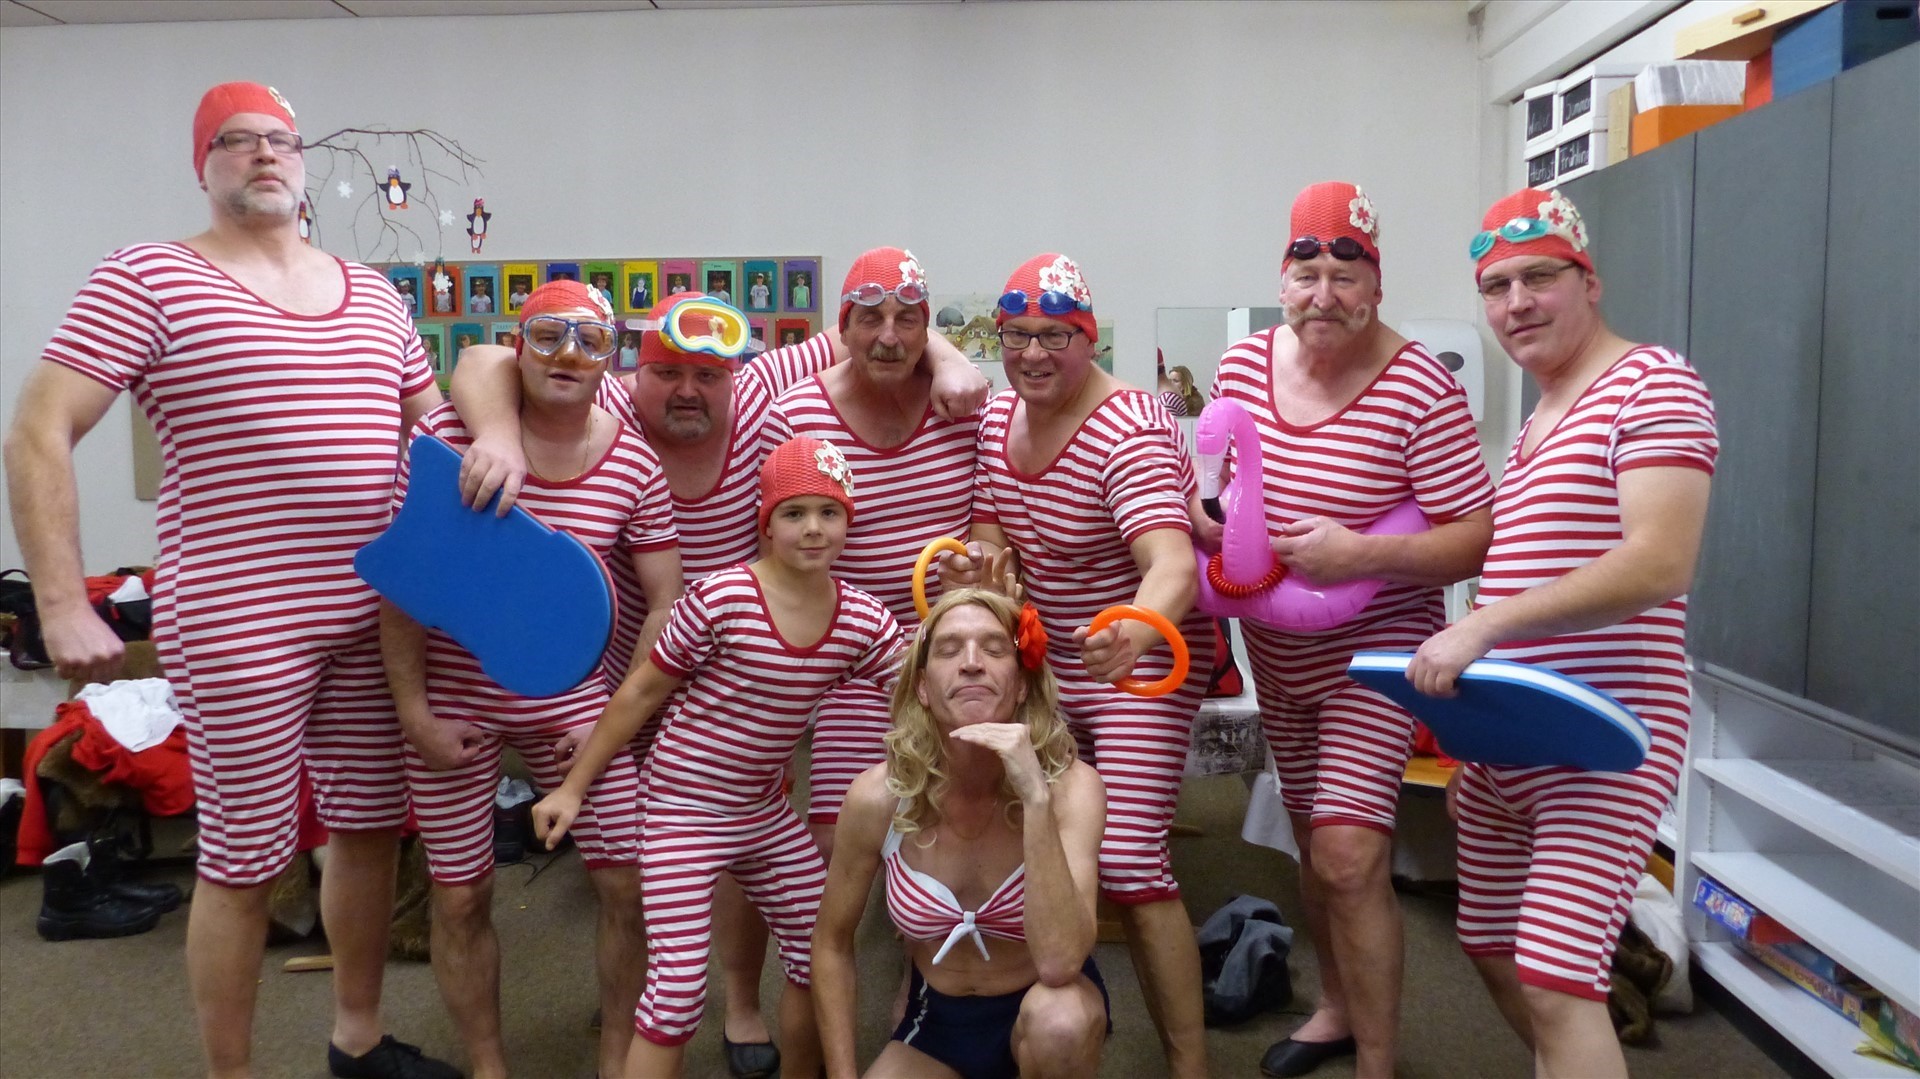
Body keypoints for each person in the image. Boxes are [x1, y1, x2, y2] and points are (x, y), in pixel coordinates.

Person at [3, 82, 456, 1079]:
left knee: (369, 831)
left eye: (281, 139)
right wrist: (61, 598)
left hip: (375, 611)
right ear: (201, 164)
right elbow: (39, 426)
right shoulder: (149, 276)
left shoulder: (372, 293)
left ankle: (358, 1036)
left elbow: (441, 433)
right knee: (246, 856)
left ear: (304, 162)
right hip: (239, 614)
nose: (263, 153)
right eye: (236, 139)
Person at [450, 293, 985, 1079]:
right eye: (667, 372)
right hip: (646, 697)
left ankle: (747, 1009)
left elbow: (873, 331)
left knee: (815, 938)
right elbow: (482, 359)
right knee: (660, 958)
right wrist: (581, 773)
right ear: (633, 370)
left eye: (708, 373)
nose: (689, 388)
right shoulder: (604, 401)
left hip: (754, 758)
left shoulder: (852, 605)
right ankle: (640, 1020)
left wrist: (950, 351)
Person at [1406, 187, 1717, 1079]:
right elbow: (1532, 571)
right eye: (1496, 286)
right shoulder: (1541, 415)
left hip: (1602, 734)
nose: (1516, 303)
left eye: (1539, 277)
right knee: (1492, 945)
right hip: (1512, 735)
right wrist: (1478, 754)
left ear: (1590, 281)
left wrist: (1486, 622)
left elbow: (1660, 561)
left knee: (1554, 976)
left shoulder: (1654, 385)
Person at [1209, 182, 1495, 1079]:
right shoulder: (1242, 366)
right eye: (1308, 274)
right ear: (1281, 280)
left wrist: (1361, 553)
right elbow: (1218, 483)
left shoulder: (1420, 387)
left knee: (1348, 852)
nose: (1324, 295)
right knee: (1309, 839)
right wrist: (1212, 521)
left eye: (1346, 275)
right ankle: (1335, 1006)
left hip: (1376, 654)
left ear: (1376, 285)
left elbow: (1474, 536)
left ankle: (1378, 1058)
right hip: (1278, 652)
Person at [381, 280, 682, 1079]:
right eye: (547, 335)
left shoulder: (633, 460)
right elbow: (406, 584)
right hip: (451, 703)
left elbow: (664, 601)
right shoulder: (450, 438)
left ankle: (616, 1056)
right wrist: (413, 712)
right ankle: (488, 1065)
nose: (567, 356)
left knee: (627, 885)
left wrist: (614, 720)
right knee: (459, 895)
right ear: (519, 344)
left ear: (611, 361)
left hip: (576, 706)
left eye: (590, 340)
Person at [533, 436, 905, 1079]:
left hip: (764, 812)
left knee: (818, 954)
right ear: (766, 523)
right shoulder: (721, 598)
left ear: (849, 520)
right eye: (794, 513)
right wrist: (573, 788)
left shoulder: (862, 619)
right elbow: (641, 691)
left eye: (830, 512)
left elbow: (919, 689)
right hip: (681, 812)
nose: (813, 528)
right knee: (676, 994)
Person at [942, 252, 1215, 1079]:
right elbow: (992, 538)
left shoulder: (1129, 427)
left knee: (1130, 861)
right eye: (1015, 335)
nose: (1031, 353)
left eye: (1054, 335)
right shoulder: (998, 419)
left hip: (1138, 662)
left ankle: (1190, 1064)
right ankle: (1027, 1017)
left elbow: (1173, 564)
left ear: (1088, 338)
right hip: (1050, 659)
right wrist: (978, 573)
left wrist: (1133, 629)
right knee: (1019, 831)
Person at [813, 587, 1109, 1079]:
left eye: (994, 649)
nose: (972, 663)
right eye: (949, 651)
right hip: (938, 1020)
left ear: (1021, 685)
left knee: (1060, 1024)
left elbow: (1061, 963)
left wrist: (1035, 798)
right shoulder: (877, 797)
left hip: (1044, 1006)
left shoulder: (1072, 789)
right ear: (923, 688)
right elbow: (830, 944)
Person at [767, 247, 978, 855]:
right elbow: (779, 557)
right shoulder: (795, 415)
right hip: (852, 661)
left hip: (952, 649)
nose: (889, 337)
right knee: (838, 837)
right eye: (870, 318)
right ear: (843, 328)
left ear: (926, 329)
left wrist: (979, 567)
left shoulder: (965, 409)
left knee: (962, 827)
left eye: (906, 319)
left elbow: (996, 531)